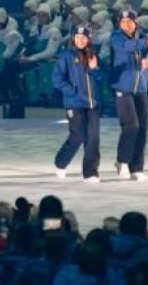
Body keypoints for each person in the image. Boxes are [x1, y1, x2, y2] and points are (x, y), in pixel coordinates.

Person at [110, 9, 148, 181]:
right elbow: (126, 47)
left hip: (141, 88)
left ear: (135, 22)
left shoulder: (143, 37)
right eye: (122, 22)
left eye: (129, 21)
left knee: (142, 129)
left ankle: (136, 167)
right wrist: (146, 42)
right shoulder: (116, 37)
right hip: (123, 87)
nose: (126, 24)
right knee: (131, 126)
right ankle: (122, 161)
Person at [52, 25, 102, 183]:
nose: (80, 40)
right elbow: (57, 78)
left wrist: (95, 69)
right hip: (75, 103)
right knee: (78, 136)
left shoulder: (93, 54)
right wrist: (71, 91)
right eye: (77, 37)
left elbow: (101, 78)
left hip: (93, 104)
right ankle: (61, 162)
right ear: (73, 38)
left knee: (93, 139)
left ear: (89, 39)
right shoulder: (66, 55)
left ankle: (90, 172)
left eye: (84, 38)